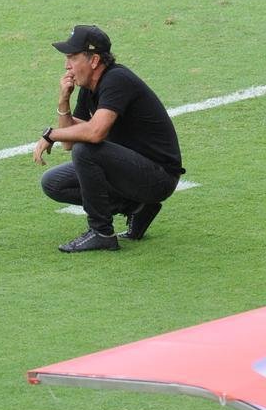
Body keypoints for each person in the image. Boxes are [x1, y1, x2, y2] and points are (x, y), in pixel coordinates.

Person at [34, 25, 184, 252]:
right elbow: (69, 143)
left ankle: (101, 232)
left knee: (86, 150)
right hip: (130, 171)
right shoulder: (88, 87)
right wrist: (63, 101)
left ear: (94, 60)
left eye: (73, 58)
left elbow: (95, 133)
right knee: (53, 182)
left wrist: (51, 134)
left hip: (158, 177)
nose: (67, 66)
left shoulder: (116, 80)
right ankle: (137, 207)